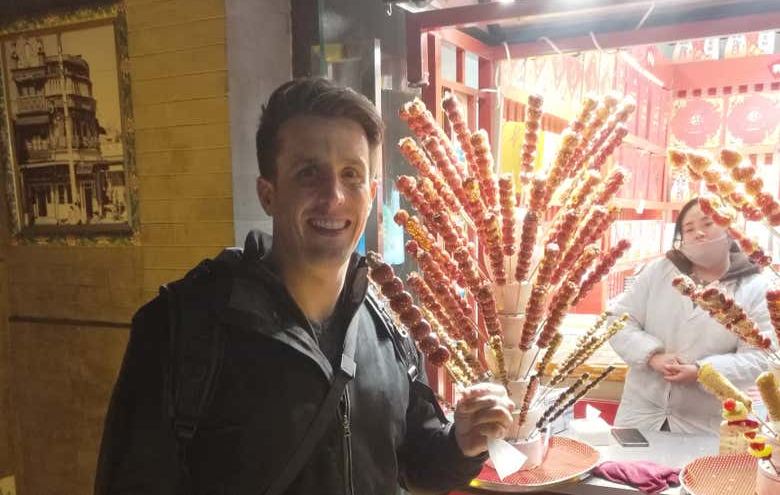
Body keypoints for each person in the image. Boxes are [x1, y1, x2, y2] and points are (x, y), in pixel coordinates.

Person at [94, 77, 514, 495]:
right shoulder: (182, 329)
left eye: (351, 175)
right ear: (268, 194)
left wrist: (462, 443)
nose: (333, 197)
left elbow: (416, 467)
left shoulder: (391, 327)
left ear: (370, 195)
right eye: (308, 173)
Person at [608, 197, 771, 435]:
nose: (699, 234)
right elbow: (618, 321)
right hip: (641, 411)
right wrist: (652, 356)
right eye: (689, 229)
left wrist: (702, 372)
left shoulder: (755, 288)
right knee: (629, 469)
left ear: (729, 230)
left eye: (707, 224)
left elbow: (761, 357)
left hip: (709, 421)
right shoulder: (659, 271)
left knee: (697, 471)